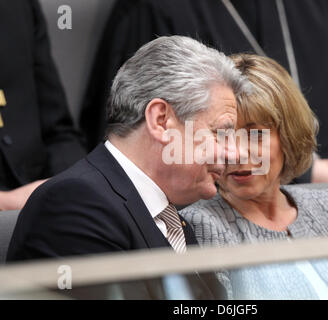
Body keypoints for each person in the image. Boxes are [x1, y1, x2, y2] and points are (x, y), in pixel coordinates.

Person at [6, 36, 250, 299]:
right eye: (221, 134)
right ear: (161, 120)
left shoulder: (172, 218)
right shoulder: (73, 205)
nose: (234, 153)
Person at [80, 0, 328, 183]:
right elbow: (139, 142)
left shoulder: (327, 6)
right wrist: (300, 174)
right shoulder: (153, 8)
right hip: (230, 218)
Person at [180, 54, 328, 299]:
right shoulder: (201, 224)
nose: (237, 154)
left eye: (256, 135)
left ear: (288, 136)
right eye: (224, 135)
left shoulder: (327, 205)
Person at [0, 0, 87, 210]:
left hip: (40, 197)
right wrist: (6, 203)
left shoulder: (18, 6)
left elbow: (57, 131)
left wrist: (78, 181)